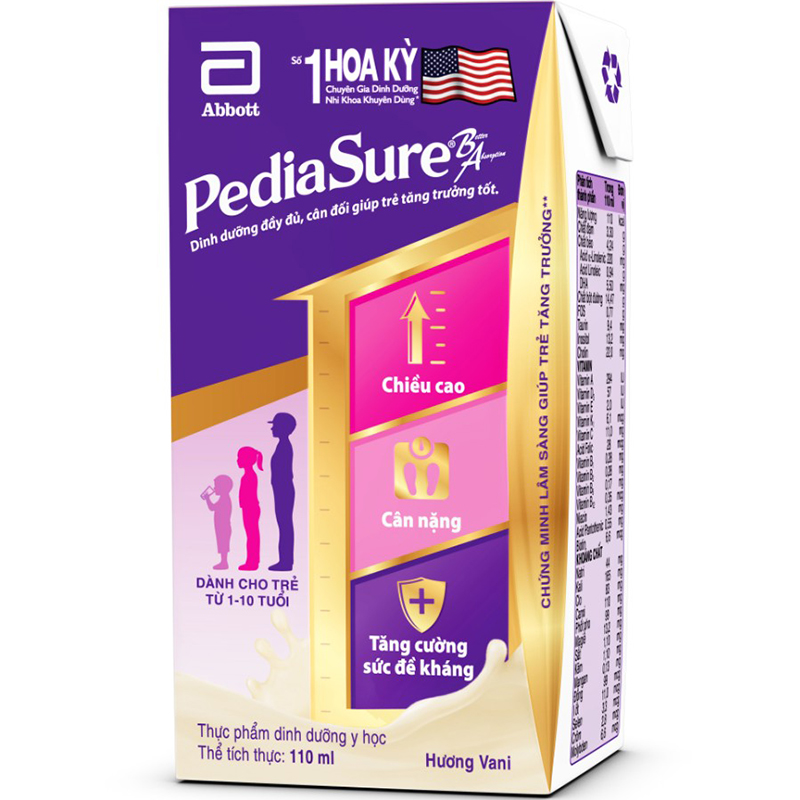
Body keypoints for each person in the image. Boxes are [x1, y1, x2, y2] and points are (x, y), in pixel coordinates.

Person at [268, 413, 296, 571]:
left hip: (283, 491)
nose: (272, 428)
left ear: (283, 428)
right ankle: (285, 561)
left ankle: (285, 562)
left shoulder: (284, 446)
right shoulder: (282, 445)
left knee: (285, 526)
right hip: (281, 490)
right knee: (284, 525)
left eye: (275, 425)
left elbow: (283, 473)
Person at [237, 446, 263, 571]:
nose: (237, 460)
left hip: (250, 509)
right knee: (251, 535)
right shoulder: (248, 475)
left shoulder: (250, 476)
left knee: (252, 536)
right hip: (249, 508)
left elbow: (249, 495)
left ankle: (252, 562)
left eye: (239, 457)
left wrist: (245, 506)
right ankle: (253, 561)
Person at [201, 475, 233, 570]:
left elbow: (212, 508)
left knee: (223, 545)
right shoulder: (224, 498)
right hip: (222, 527)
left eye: (217, 486)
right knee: (222, 544)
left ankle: (224, 563)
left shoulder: (224, 499)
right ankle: (223, 562)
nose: (214, 488)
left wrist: (207, 498)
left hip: (223, 527)